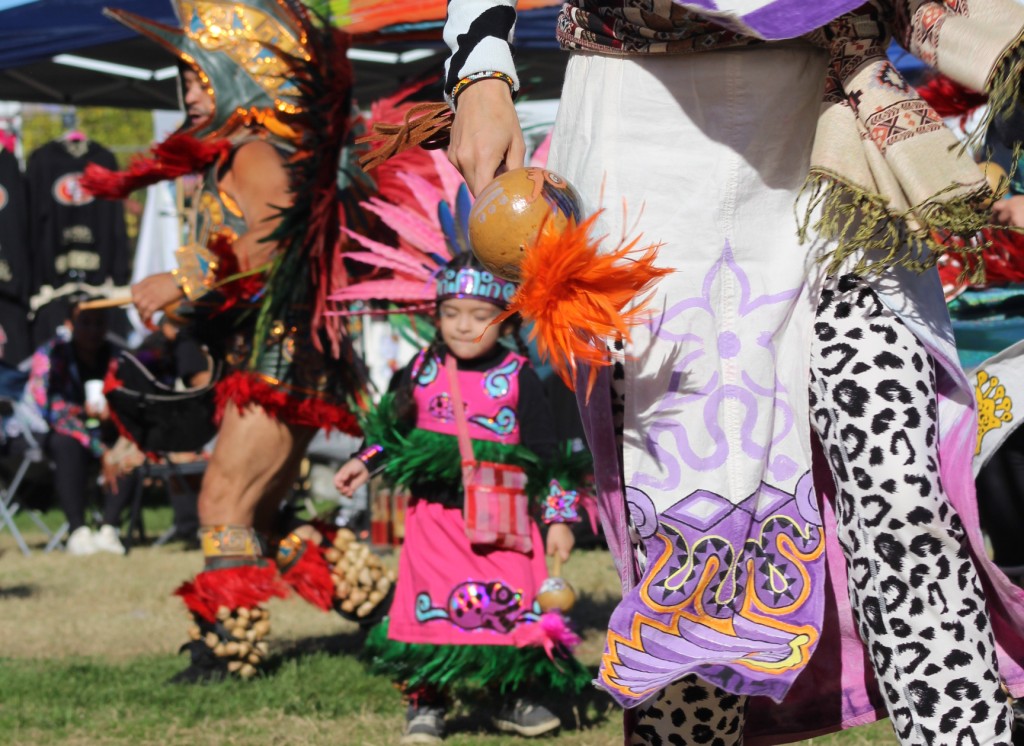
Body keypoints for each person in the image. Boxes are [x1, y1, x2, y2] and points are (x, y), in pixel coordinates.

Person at [437, 1, 1024, 744]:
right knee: (689, 546)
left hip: (836, 122)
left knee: (901, 490)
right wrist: (480, 71)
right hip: (647, 130)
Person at [81, 0, 368, 681]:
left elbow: (271, 241)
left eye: (203, 79)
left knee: (220, 501)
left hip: (282, 354)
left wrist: (185, 278)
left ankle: (228, 650)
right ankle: (384, 608)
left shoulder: (254, 151)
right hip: (281, 353)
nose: (189, 92)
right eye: (185, 80)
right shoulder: (234, 156)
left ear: (241, 81)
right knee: (259, 516)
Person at [334, 240, 591, 740]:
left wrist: (559, 519)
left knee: (514, 606)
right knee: (428, 604)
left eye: (479, 314)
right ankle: (426, 702)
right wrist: (362, 465)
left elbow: (547, 453)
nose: (463, 325)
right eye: (451, 313)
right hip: (436, 520)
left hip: (506, 521)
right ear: (436, 315)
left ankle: (510, 696)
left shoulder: (519, 377)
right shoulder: (421, 372)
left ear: (509, 321)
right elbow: (390, 433)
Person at [22, 300, 128, 555]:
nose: (92, 330)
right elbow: (52, 411)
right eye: (85, 323)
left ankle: (109, 528)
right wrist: (101, 450)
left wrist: (111, 415)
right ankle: (78, 530)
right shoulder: (50, 355)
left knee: (130, 444)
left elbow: (131, 404)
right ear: (69, 325)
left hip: (107, 429)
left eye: (99, 323)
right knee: (66, 444)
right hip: (60, 435)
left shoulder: (117, 357)